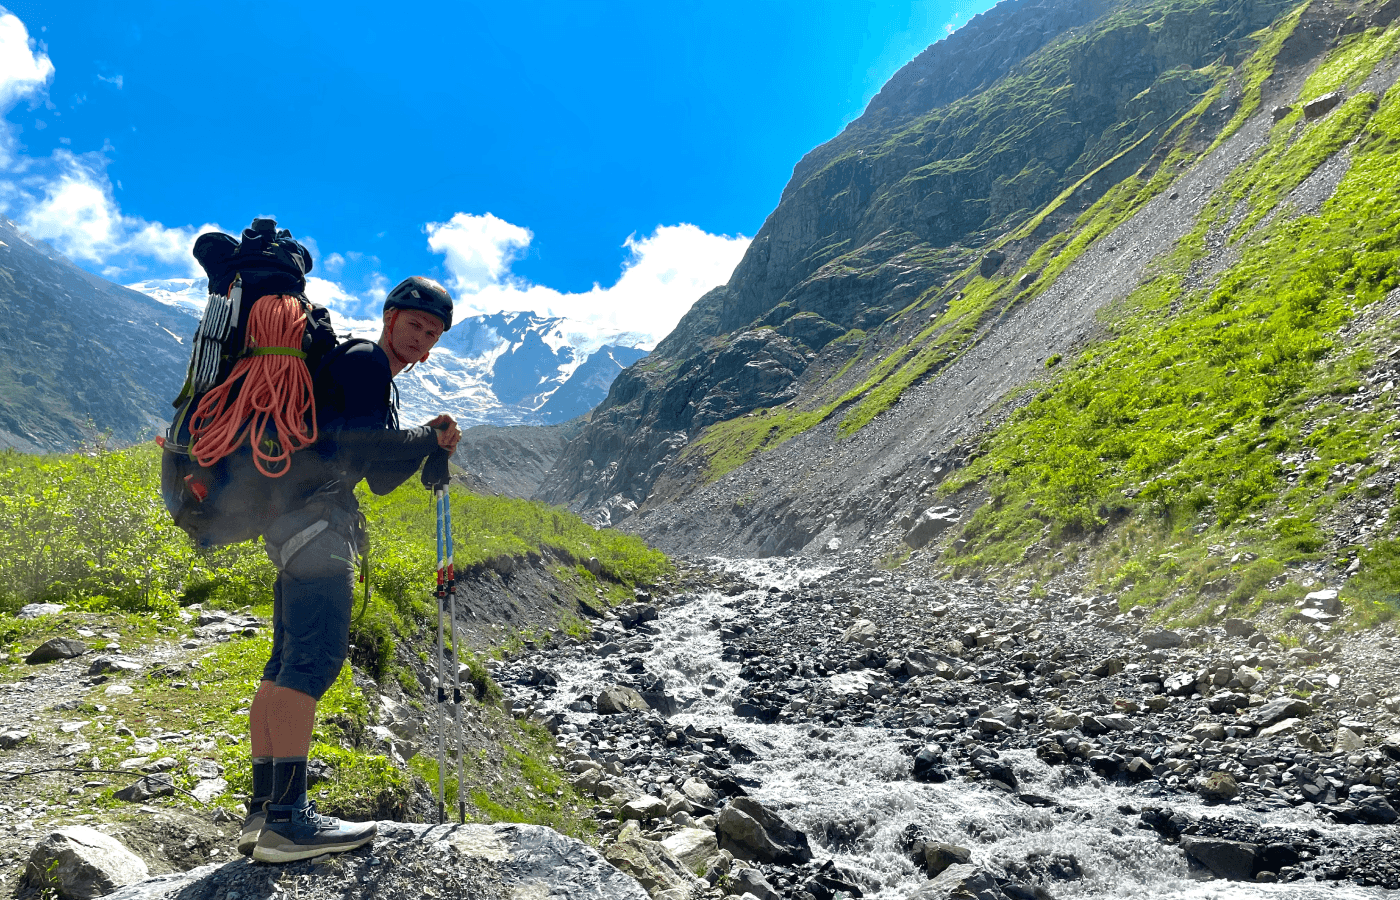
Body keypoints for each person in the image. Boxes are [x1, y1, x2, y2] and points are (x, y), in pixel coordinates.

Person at [241, 276, 462, 863]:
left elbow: (380, 475)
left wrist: (427, 451)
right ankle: (288, 820)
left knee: (286, 663)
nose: (423, 339)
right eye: (415, 325)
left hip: (296, 524)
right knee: (310, 664)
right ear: (390, 318)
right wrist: (423, 439)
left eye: (433, 333)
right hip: (317, 528)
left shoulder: (372, 378)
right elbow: (345, 442)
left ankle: (265, 810)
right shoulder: (364, 359)